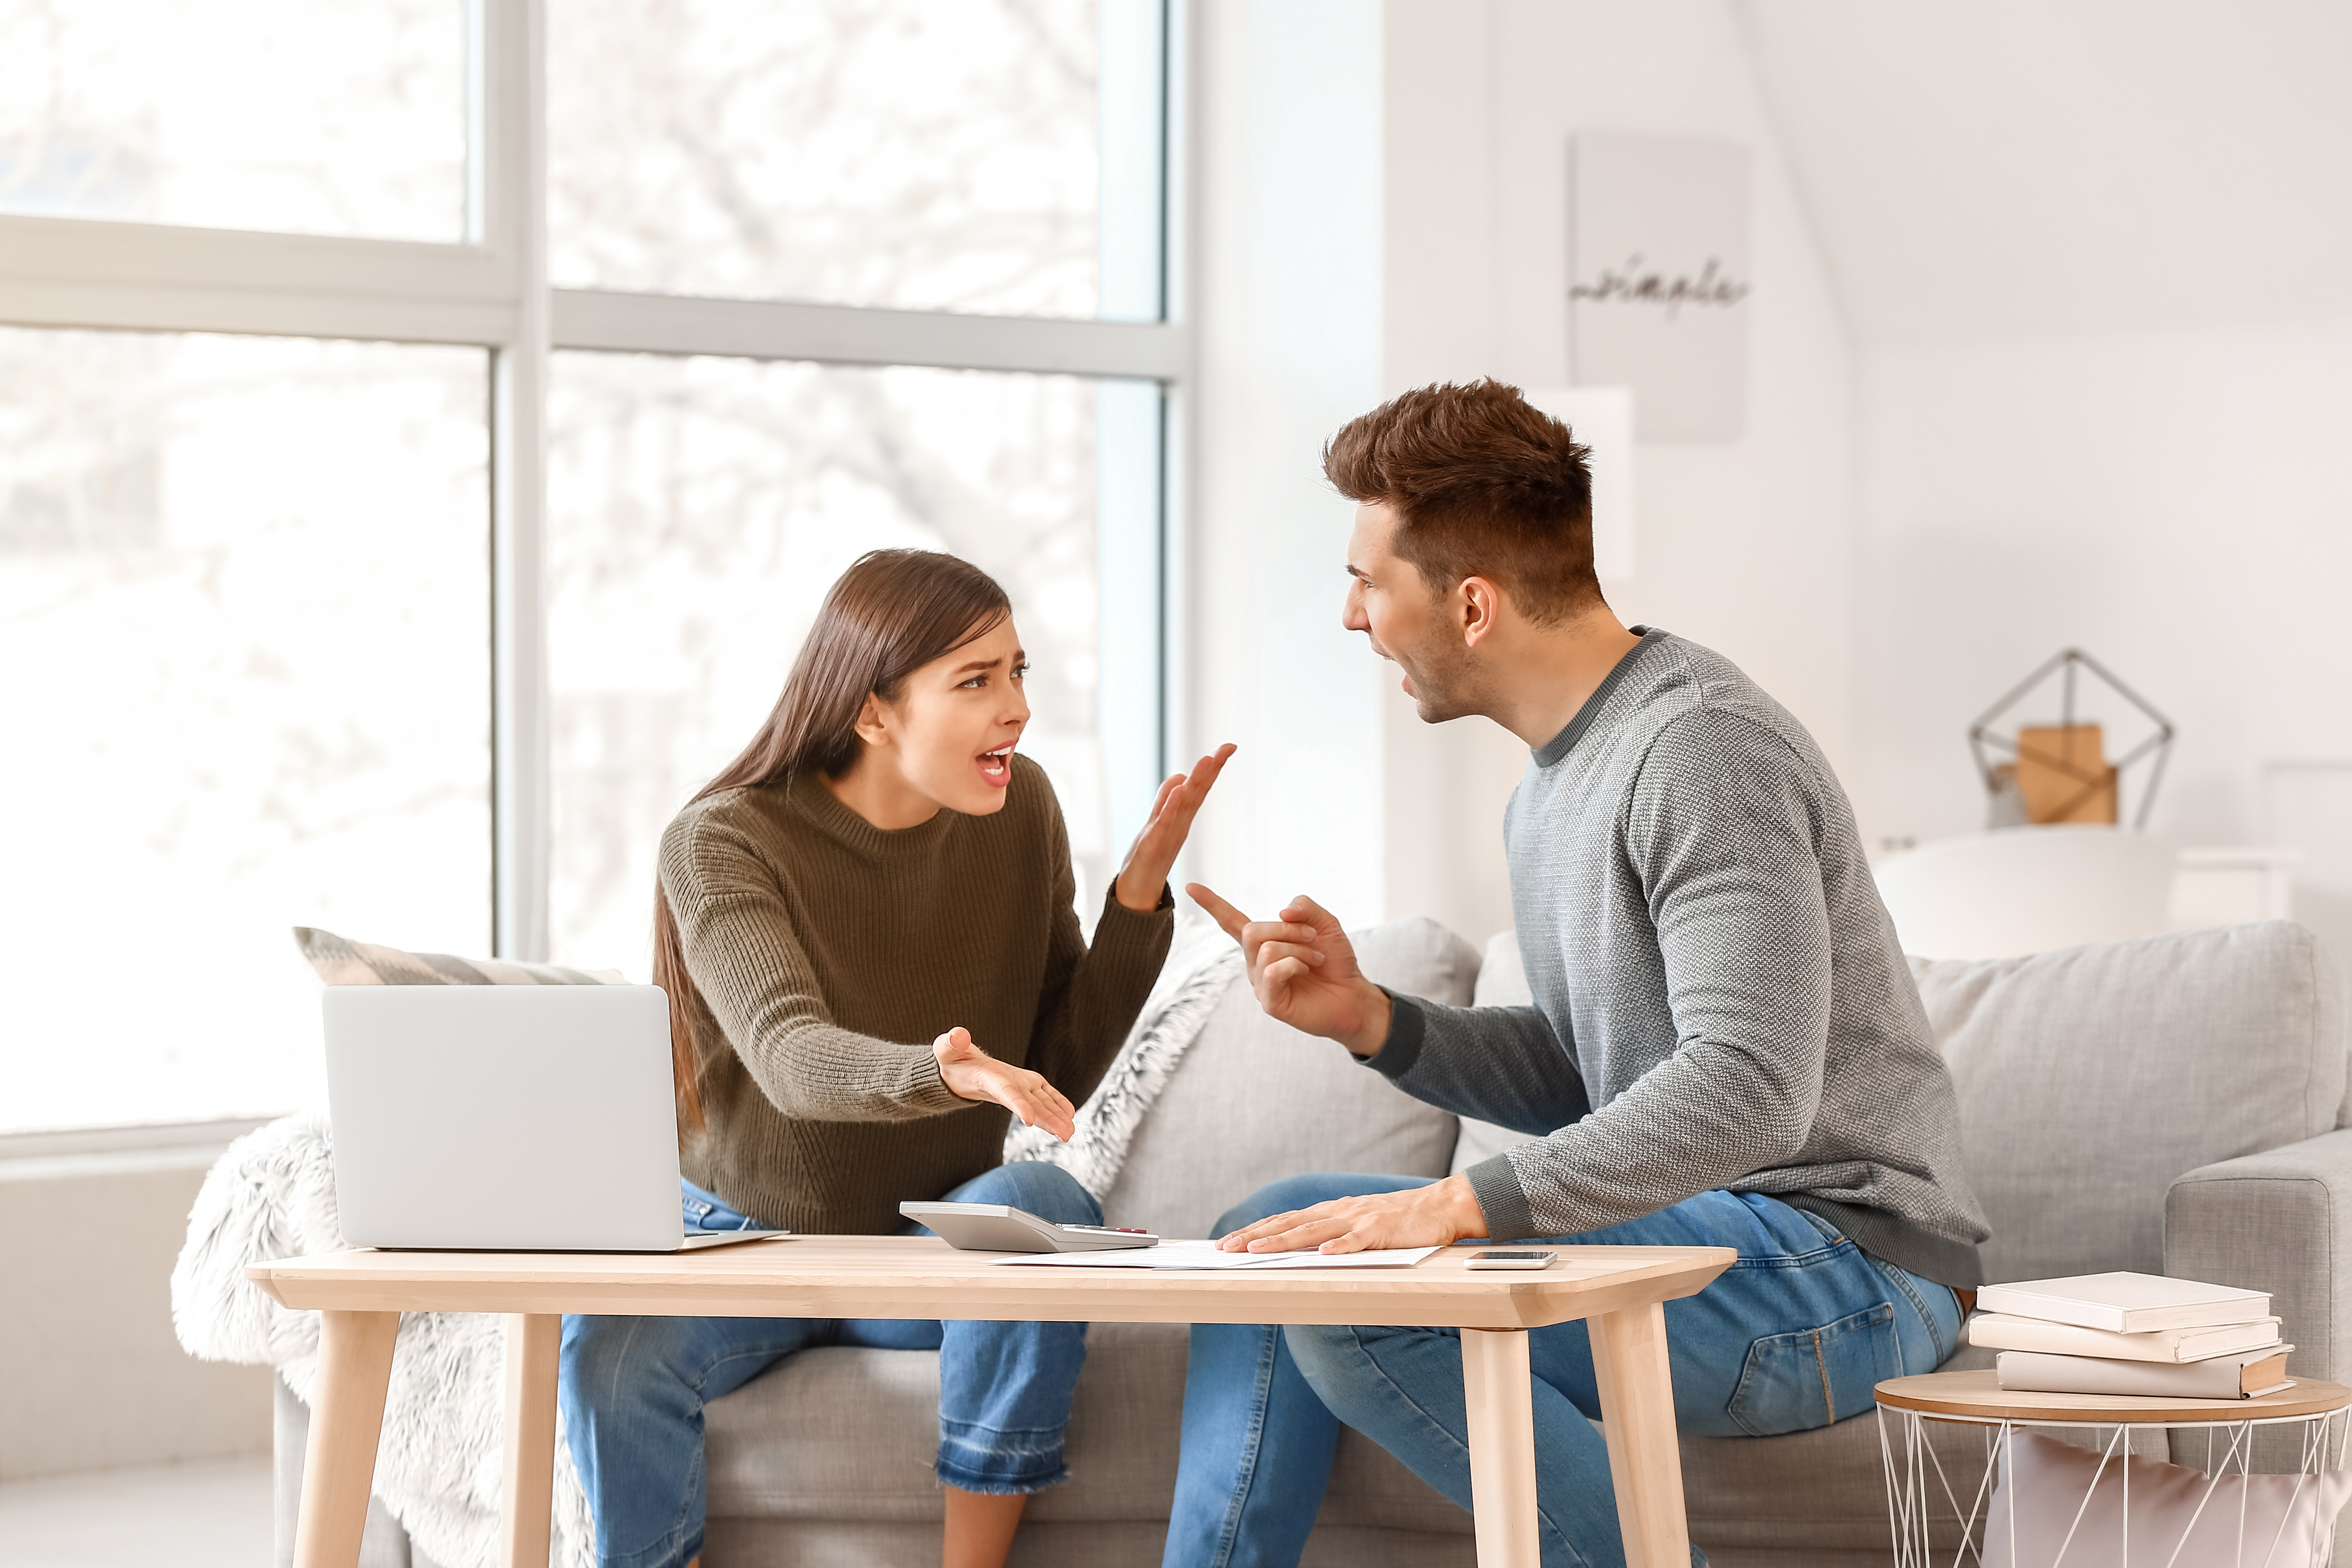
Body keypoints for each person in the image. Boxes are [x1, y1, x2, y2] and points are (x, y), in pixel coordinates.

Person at [1163, 381, 1990, 1568]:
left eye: (1368, 582)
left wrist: (1453, 1207)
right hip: (1722, 1241)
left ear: (1473, 604)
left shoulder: (1700, 748)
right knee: (1269, 1242)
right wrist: (1377, 1021)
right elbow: (1605, 1075)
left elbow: (1749, 1089)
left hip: (1843, 1265)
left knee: (1362, 1295)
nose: (1352, 618)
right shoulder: (1553, 785)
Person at [560, 548, 1233, 1568]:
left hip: (919, 1250)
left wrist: (1135, 903)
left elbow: (1056, 1068)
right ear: (873, 713)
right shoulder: (721, 840)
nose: (1015, 708)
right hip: (746, 1248)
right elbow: (790, 1056)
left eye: (1019, 674)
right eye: (976, 681)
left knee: (1045, 1206)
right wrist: (941, 1070)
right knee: (607, 1340)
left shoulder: (1021, 810)